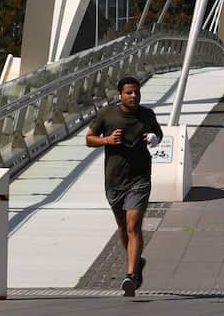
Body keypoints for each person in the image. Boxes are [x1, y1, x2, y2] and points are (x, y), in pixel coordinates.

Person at [87, 76, 163, 297]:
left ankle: (130, 276)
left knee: (133, 226)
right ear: (120, 95)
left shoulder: (147, 115)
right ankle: (137, 263)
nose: (134, 96)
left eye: (136, 92)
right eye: (129, 92)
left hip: (139, 178)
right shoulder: (107, 115)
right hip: (114, 180)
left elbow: (158, 133)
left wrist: (154, 138)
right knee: (123, 228)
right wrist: (107, 141)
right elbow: (89, 138)